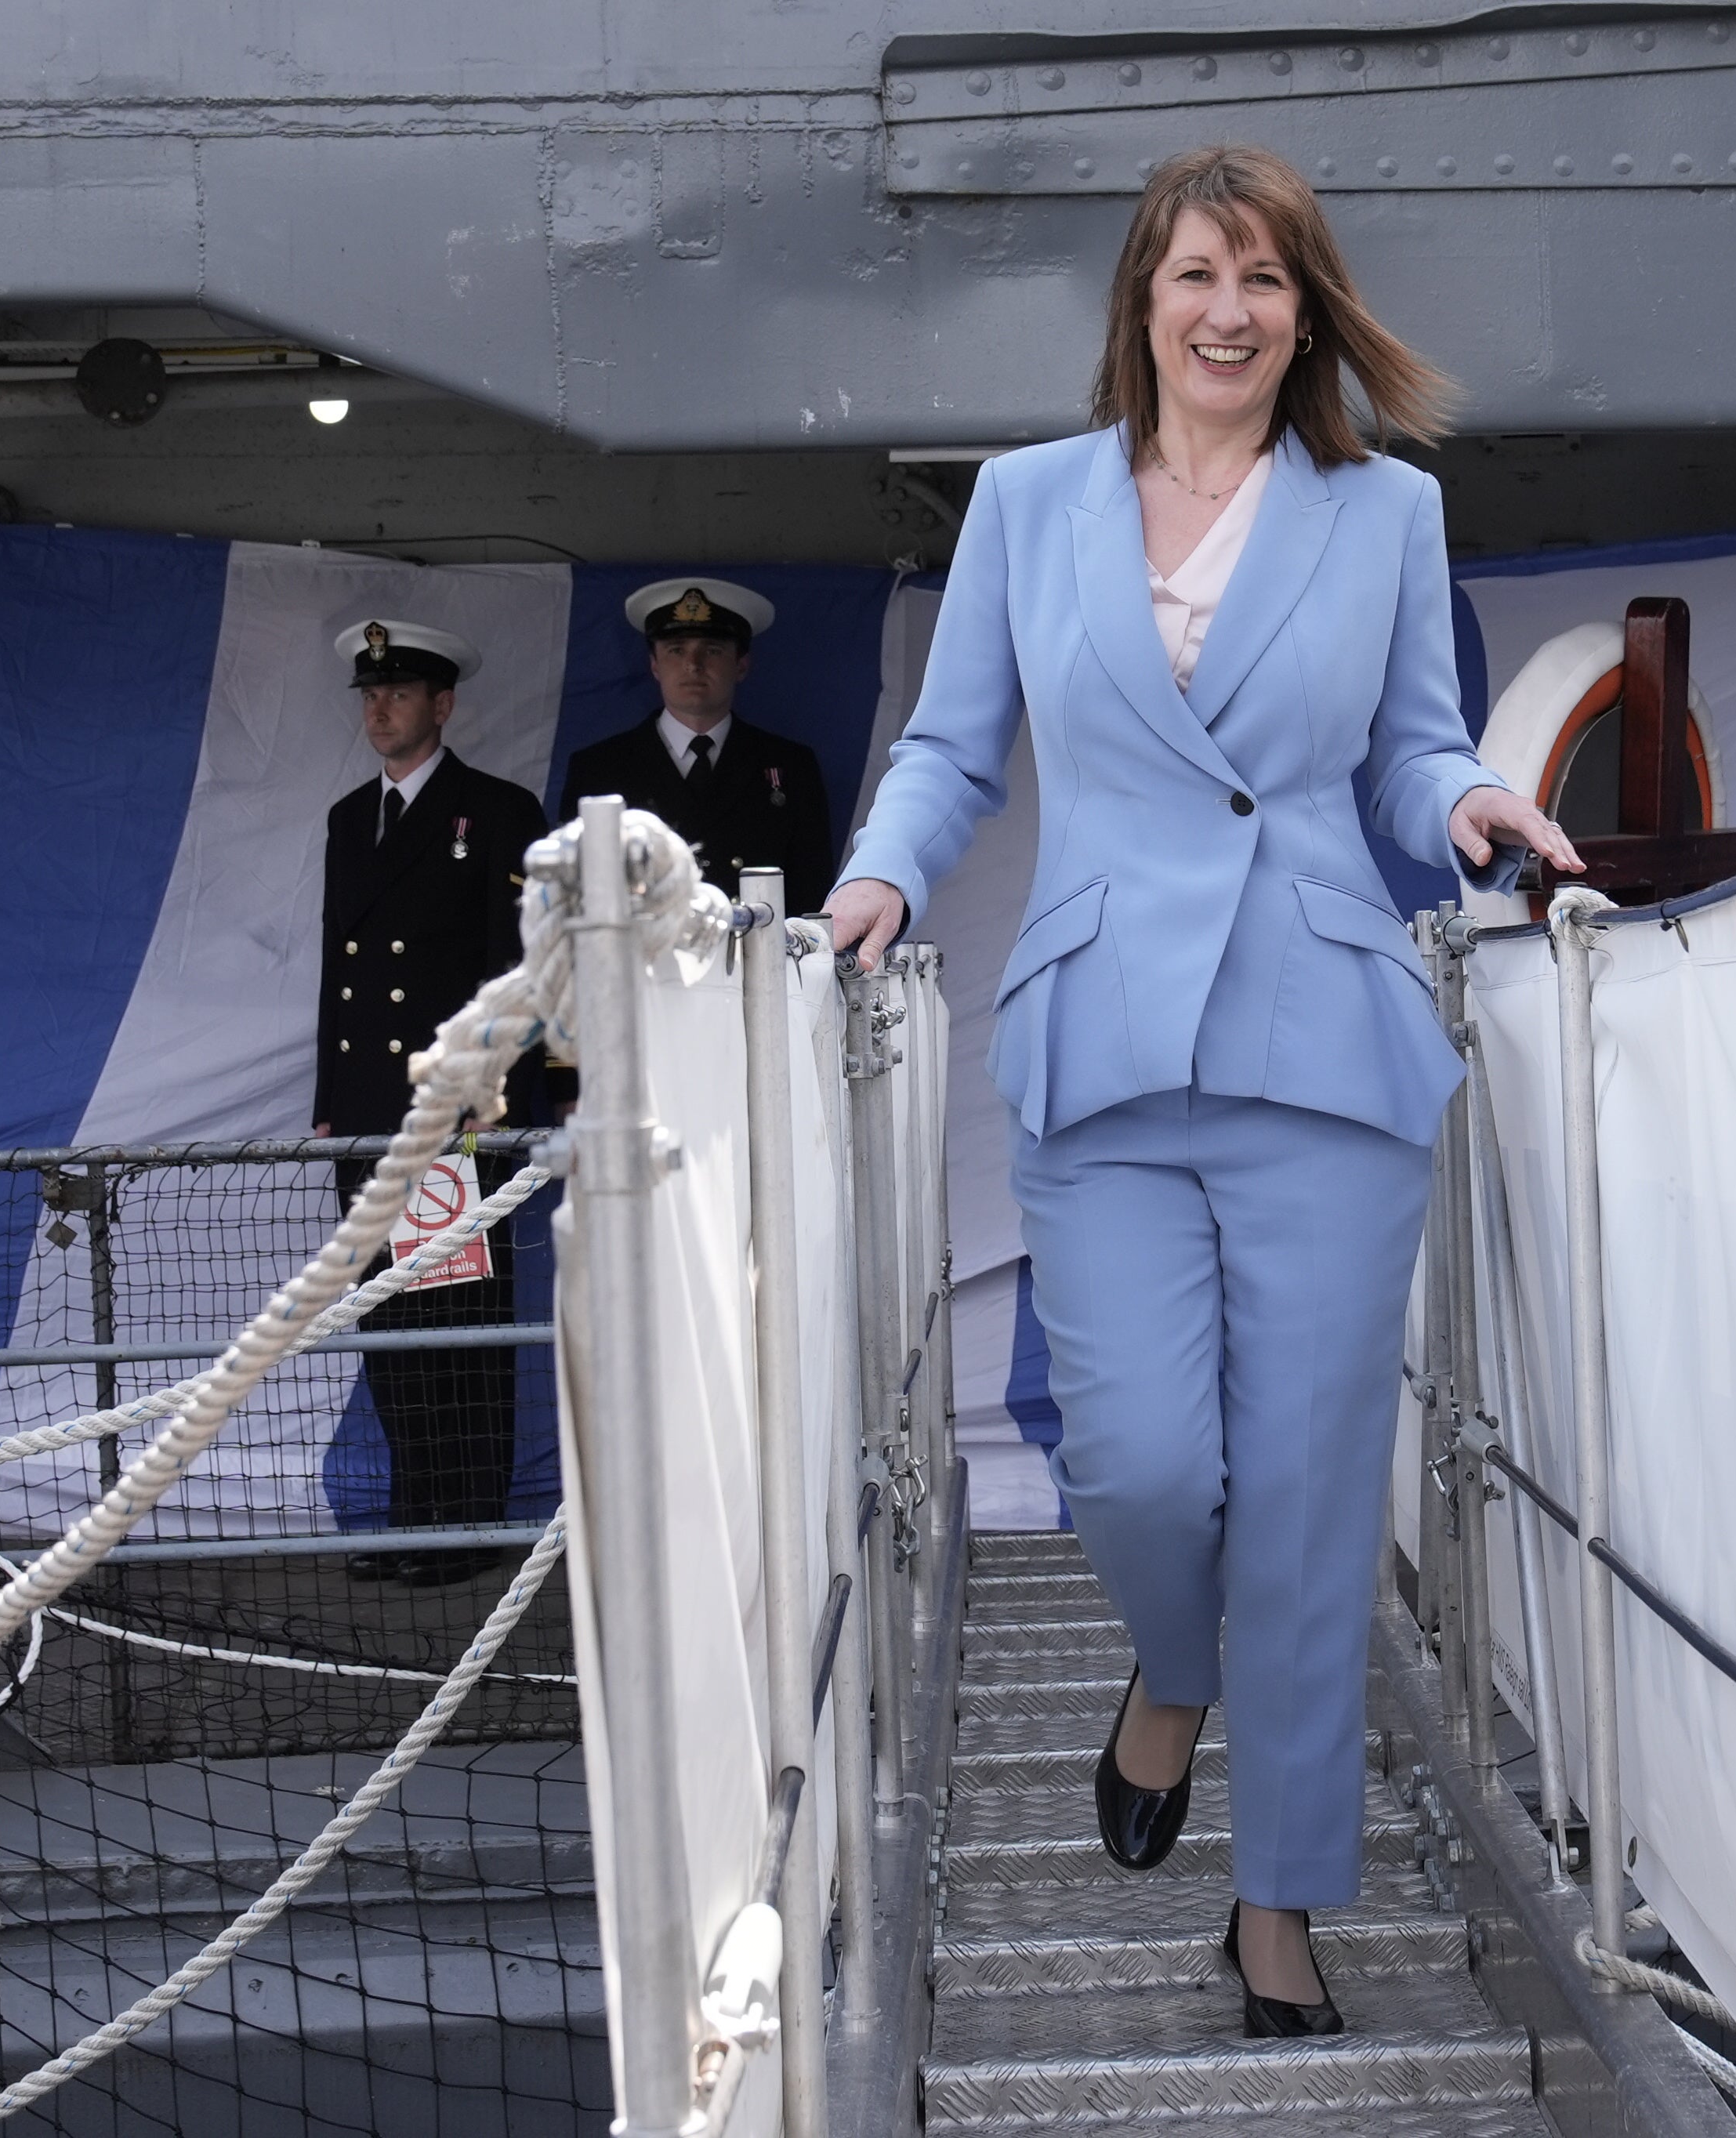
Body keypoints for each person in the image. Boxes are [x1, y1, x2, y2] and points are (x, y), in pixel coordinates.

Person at [828, 145, 1579, 2038]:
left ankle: (1279, 1904)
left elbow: (1409, 748)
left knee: (1316, 1502)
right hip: (1103, 1044)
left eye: (1264, 280)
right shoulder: (1028, 502)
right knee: (1151, 1464)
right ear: (1141, 304)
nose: (1228, 313)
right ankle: (1170, 1668)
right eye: (1195, 278)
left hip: (1323, 1043)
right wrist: (878, 875)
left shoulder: (1381, 511)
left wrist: (1472, 802)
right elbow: (950, 745)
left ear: (1305, 310)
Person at [311, 616, 547, 1588]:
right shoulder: (344, 819)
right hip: (369, 1110)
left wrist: (486, 1098)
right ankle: (413, 1514)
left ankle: (466, 1523)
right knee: (387, 1322)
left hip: (450, 1113)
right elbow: (341, 973)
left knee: (459, 1322)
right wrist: (331, 1099)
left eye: (400, 692)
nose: (380, 707)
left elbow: (521, 971)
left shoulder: (495, 812)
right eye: (370, 693)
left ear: (442, 705)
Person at [553, 577, 837, 903]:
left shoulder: (791, 766)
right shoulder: (598, 770)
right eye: (676, 650)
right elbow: (576, 898)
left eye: (712, 650)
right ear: (655, 665)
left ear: (741, 665)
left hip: (756, 949)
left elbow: (811, 896)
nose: (693, 665)